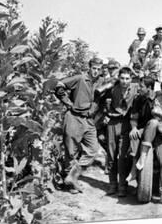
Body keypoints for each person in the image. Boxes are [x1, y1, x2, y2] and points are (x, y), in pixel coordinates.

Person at [55, 57, 105, 194]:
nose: (96, 71)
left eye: (98, 69)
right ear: (89, 67)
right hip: (74, 117)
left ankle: (72, 175)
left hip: (88, 120)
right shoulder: (80, 78)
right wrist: (68, 103)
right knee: (71, 151)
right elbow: (59, 85)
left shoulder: (101, 82)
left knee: (93, 149)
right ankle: (70, 184)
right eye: (94, 68)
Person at [133, 80, 162, 206]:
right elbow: (154, 113)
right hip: (156, 134)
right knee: (153, 123)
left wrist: (161, 114)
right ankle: (142, 158)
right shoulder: (158, 99)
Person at [103, 67, 139, 196]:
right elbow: (100, 98)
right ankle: (113, 184)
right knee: (112, 155)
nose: (124, 81)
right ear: (119, 78)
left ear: (131, 78)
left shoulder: (136, 88)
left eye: (127, 78)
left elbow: (153, 86)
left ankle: (123, 185)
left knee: (123, 156)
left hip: (126, 123)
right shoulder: (113, 89)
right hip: (113, 122)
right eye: (122, 78)